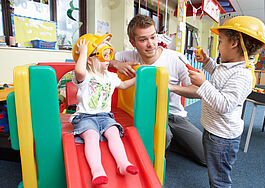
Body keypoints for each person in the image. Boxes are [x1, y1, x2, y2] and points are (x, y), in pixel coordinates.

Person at [170, 16, 265, 187]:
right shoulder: (228, 65)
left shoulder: (242, 74)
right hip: (214, 130)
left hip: (223, 137)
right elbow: (218, 75)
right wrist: (207, 63)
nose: (219, 47)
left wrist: (203, 83)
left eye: (221, 41)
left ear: (234, 43)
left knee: (219, 179)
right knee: (214, 170)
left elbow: (225, 105)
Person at [110, 14, 206, 166]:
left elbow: (199, 91)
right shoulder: (129, 55)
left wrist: (170, 87)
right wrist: (115, 63)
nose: (151, 44)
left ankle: (175, 141)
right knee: (162, 137)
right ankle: (168, 141)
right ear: (132, 42)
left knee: (206, 158)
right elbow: (98, 57)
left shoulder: (176, 58)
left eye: (153, 37)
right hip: (149, 115)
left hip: (175, 116)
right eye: (143, 40)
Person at [71, 33, 138, 186]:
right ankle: (97, 170)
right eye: (103, 55)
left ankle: (123, 163)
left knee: (114, 133)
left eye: (110, 54)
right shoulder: (86, 75)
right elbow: (79, 71)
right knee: (92, 136)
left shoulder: (110, 76)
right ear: (89, 59)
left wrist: (139, 77)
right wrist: (82, 53)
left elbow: (123, 85)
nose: (108, 59)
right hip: (85, 117)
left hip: (105, 116)